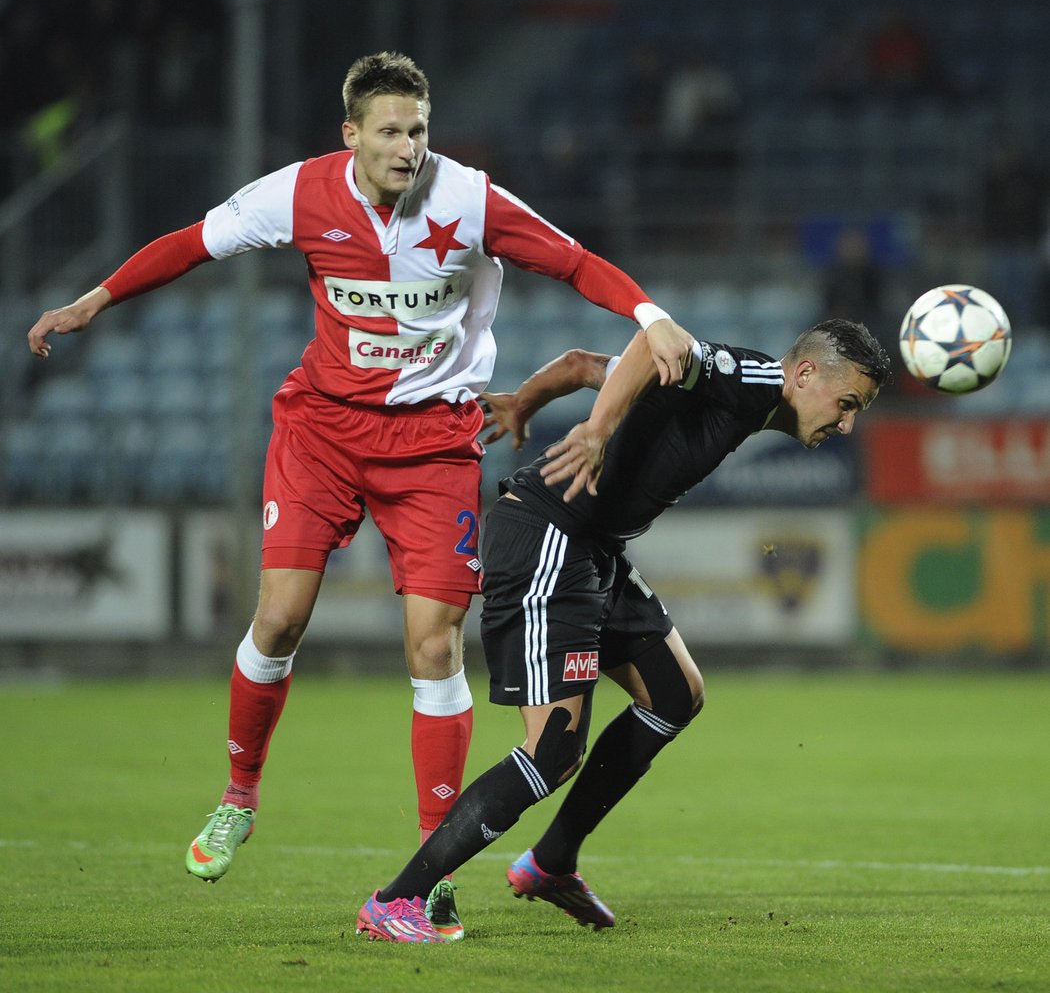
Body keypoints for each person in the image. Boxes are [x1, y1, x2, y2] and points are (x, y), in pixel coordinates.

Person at [26, 51, 693, 940]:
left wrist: (649, 317)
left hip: (433, 448)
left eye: (418, 130)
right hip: (322, 433)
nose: (408, 147)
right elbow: (191, 243)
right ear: (352, 135)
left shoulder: (470, 200)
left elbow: (575, 264)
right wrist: (92, 302)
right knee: (280, 620)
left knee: (433, 647)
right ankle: (239, 794)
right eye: (390, 131)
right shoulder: (297, 194)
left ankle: (434, 864)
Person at [356, 318, 889, 942]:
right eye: (847, 404)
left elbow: (585, 362)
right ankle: (397, 900)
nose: (847, 424)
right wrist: (596, 430)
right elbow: (651, 341)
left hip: (596, 550)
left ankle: (551, 862)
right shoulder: (749, 377)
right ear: (803, 375)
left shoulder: (738, 400)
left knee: (674, 694)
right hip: (550, 539)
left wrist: (524, 402)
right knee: (553, 751)